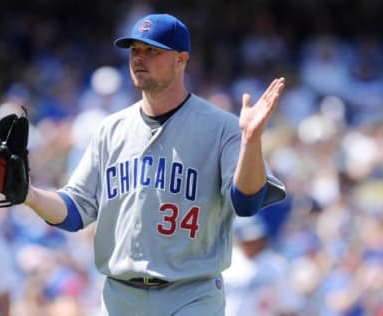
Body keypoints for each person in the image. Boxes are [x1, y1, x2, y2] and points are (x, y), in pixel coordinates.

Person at [22, 13, 287, 315]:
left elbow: (247, 202)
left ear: (181, 59)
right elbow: (73, 210)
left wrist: (251, 141)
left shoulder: (222, 128)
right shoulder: (111, 130)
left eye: (153, 51)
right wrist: (29, 195)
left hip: (191, 293)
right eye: (135, 50)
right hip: (120, 295)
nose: (139, 58)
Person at [223, 215, 303, 316]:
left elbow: (289, 307)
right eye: (248, 240)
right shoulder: (225, 262)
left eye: (257, 239)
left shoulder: (277, 265)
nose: (253, 243)